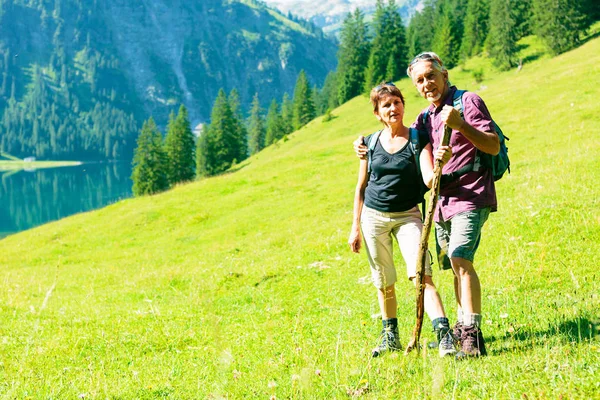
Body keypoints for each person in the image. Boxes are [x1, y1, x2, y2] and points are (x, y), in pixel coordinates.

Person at [354, 53, 499, 358]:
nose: (427, 83)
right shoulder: (425, 119)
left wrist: (461, 126)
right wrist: (363, 146)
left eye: (430, 75)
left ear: (444, 74)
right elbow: (406, 149)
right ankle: (460, 330)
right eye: (420, 80)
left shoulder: (468, 102)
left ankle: (471, 336)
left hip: (471, 194)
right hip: (443, 201)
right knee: (453, 266)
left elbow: (492, 145)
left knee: (460, 258)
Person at [348, 82, 455, 358]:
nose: (393, 108)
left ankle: (445, 335)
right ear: (377, 113)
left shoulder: (419, 139)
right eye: (386, 105)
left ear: (403, 106)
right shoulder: (370, 143)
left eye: (397, 102)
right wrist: (354, 227)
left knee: (422, 275)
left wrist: (441, 164)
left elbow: (429, 179)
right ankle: (390, 336)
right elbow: (360, 187)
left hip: (409, 216)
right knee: (384, 280)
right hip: (373, 217)